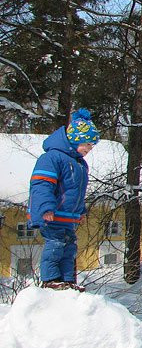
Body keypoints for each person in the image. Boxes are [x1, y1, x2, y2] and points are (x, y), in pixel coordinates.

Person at [28, 108, 100, 291]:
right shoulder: (52, 158)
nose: (89, 150)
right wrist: (46, 208)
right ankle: (50, 279)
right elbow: (42, 185)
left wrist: (80, 211)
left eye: (91, 146)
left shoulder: (79, 164)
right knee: (55, 244)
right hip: (52, 214)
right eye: (87, 145)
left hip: (67, 216)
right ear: (76, 139)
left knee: (69, 247)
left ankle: (68, 281)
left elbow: (76, 192)